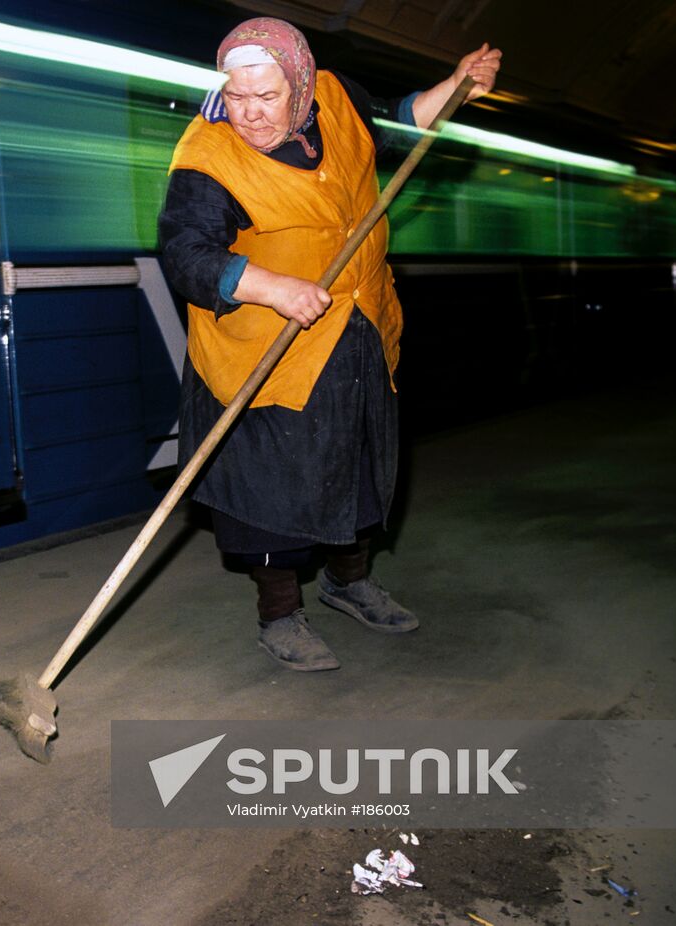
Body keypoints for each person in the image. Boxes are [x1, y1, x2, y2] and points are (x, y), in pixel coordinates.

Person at [159, 18, 501, 671]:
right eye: (237, 97)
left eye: (268, 99)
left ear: (304, 86)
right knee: (271, 494)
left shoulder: (338, 98)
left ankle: (352, 581)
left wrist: (456, 86)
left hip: (360, 328)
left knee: (360, 470)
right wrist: (268, 285)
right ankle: (280, 615)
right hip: (264, 354)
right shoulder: (207, 157)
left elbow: (396, 122)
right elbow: (185, 254)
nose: (252, 116)